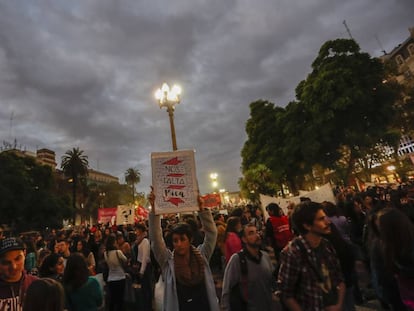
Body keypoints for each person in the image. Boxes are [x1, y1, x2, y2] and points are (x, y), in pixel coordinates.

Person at [149, 187, 220, 311]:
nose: (179, 244)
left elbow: (212, 234)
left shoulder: (202, 256)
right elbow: (156, 239)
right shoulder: (167, 263)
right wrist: (154, 210)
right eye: (175, 241)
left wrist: (202, 210)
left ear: (190, 239)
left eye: (182, 239)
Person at [278, 201, 345, 311]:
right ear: (307, 225)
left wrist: (338, 305)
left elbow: (339, 278)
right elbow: (286, 293)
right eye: (321, 219)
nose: (328, 222)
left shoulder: (326, 245)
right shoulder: (293, 252)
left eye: (325, 217)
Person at [221, 223, 274, 311]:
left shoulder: (265, 256)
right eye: (251, 233)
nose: (256, 235)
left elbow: (271, 281)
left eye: (257, 232)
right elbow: (227, 290)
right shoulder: (237, 259)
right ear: (244, 239)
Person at [0, 237, 38, 311]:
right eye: (6, 262)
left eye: (17, 259)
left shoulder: (36, 284)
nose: (14, 267)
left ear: (24, 253)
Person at [104, 234, 127, 311]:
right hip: (120, 277)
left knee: (112, 299)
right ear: (114, 242)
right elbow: (125, 260)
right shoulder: (118, 252)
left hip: (111, 278)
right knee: (120, 299)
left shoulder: (105, 254)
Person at [134, 223, 152, 311]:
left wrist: (142, 271)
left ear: (141, 230)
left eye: (137, 230)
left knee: (146, 288)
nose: (135, 232)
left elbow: (145, 257)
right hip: (141, 265)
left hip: (145, 266)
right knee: (144, 289)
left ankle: (147, 306)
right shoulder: (139, 240)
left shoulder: (145, 241)